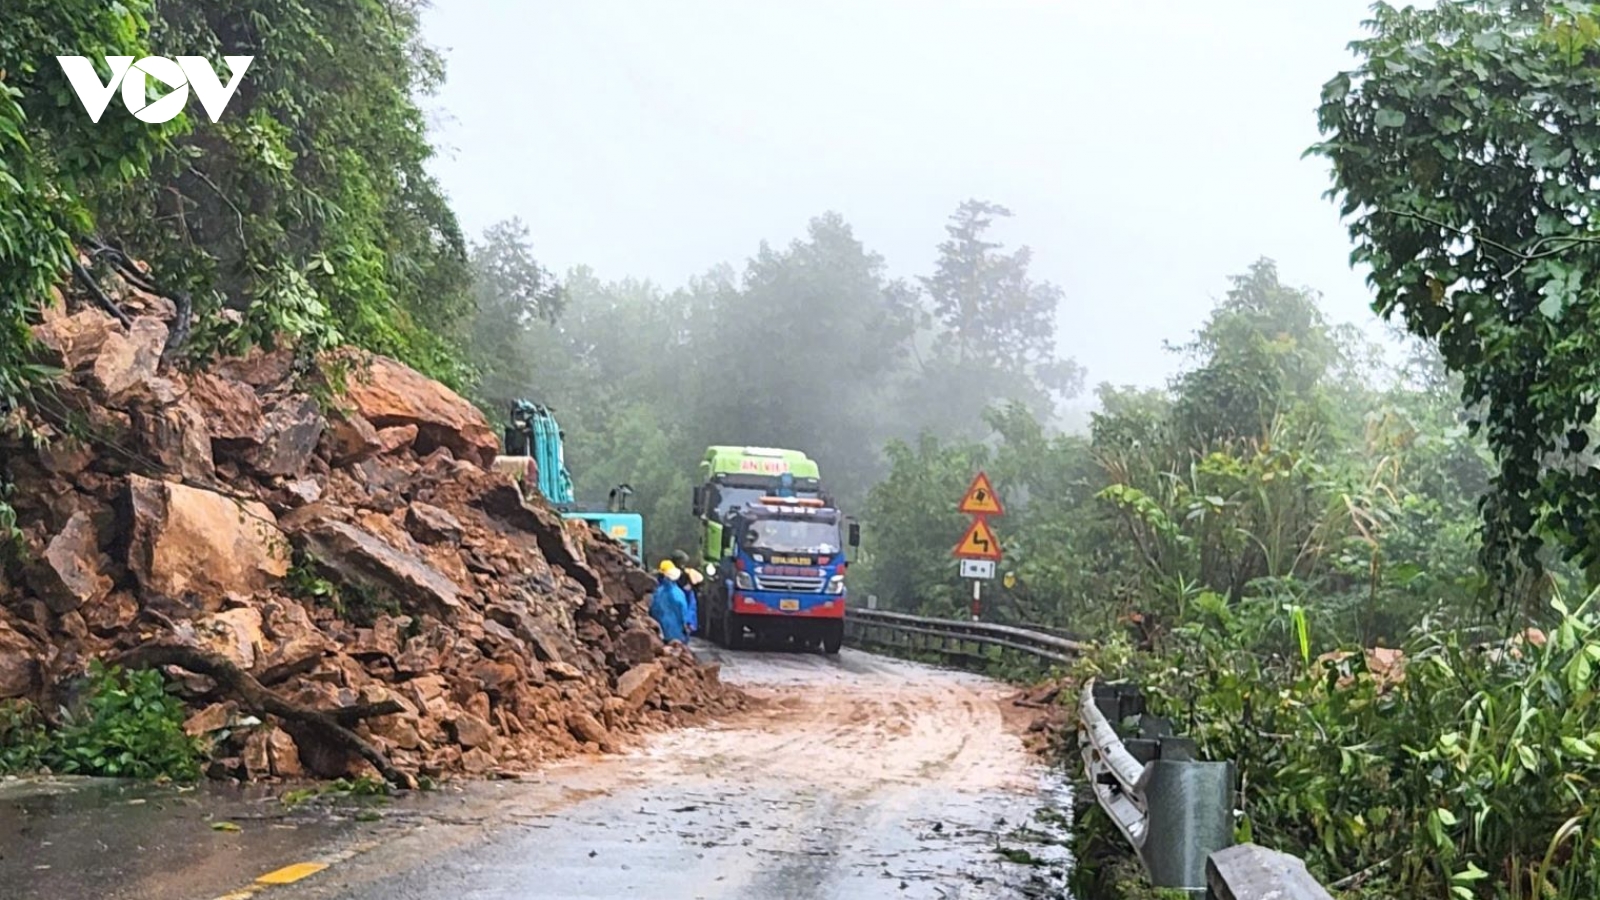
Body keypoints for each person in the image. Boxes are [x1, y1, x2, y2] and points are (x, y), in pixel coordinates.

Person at [650, 560, 690, 643]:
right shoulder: (679, 593)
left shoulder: (656, 593)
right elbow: (683, 613)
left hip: (659, 634)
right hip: (677, 635)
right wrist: (686, 628)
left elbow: (652, 611)